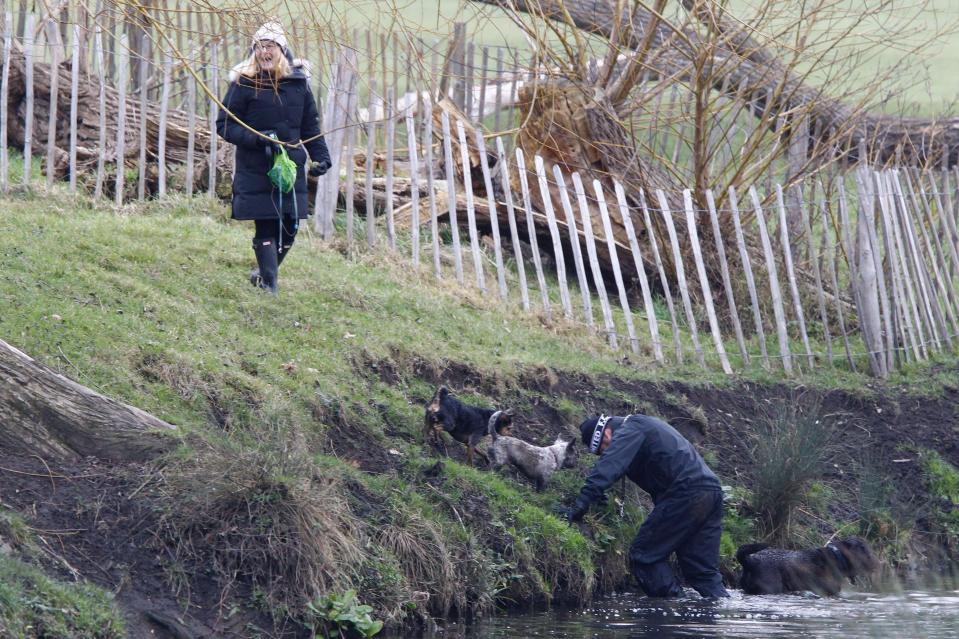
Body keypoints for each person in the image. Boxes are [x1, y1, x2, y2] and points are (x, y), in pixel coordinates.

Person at [215, 20, 331, 294]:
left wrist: (321, 156)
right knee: (266, 224)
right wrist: (257, 139)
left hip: (289, 167)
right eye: (259, 47)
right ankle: (270, 285)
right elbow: (225, 125)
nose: (264, 52)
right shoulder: (244, 83)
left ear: (282, 49)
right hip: (256, 166)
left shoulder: (298, 84)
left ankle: (264, 274)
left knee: (290, 228)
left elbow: (310, 127)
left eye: (270, 46)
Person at [565, 414, 729, 598]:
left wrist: (581, 503)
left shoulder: (631, 428)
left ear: (606, 435)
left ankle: (673, 611)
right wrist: (599, 495)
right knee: (703, 573)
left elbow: (610, 464)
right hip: (711, 492)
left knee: (644, 556)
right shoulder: (643, 426)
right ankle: (715, 612)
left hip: (685, 493)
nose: (604, 454)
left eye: (602, 450)